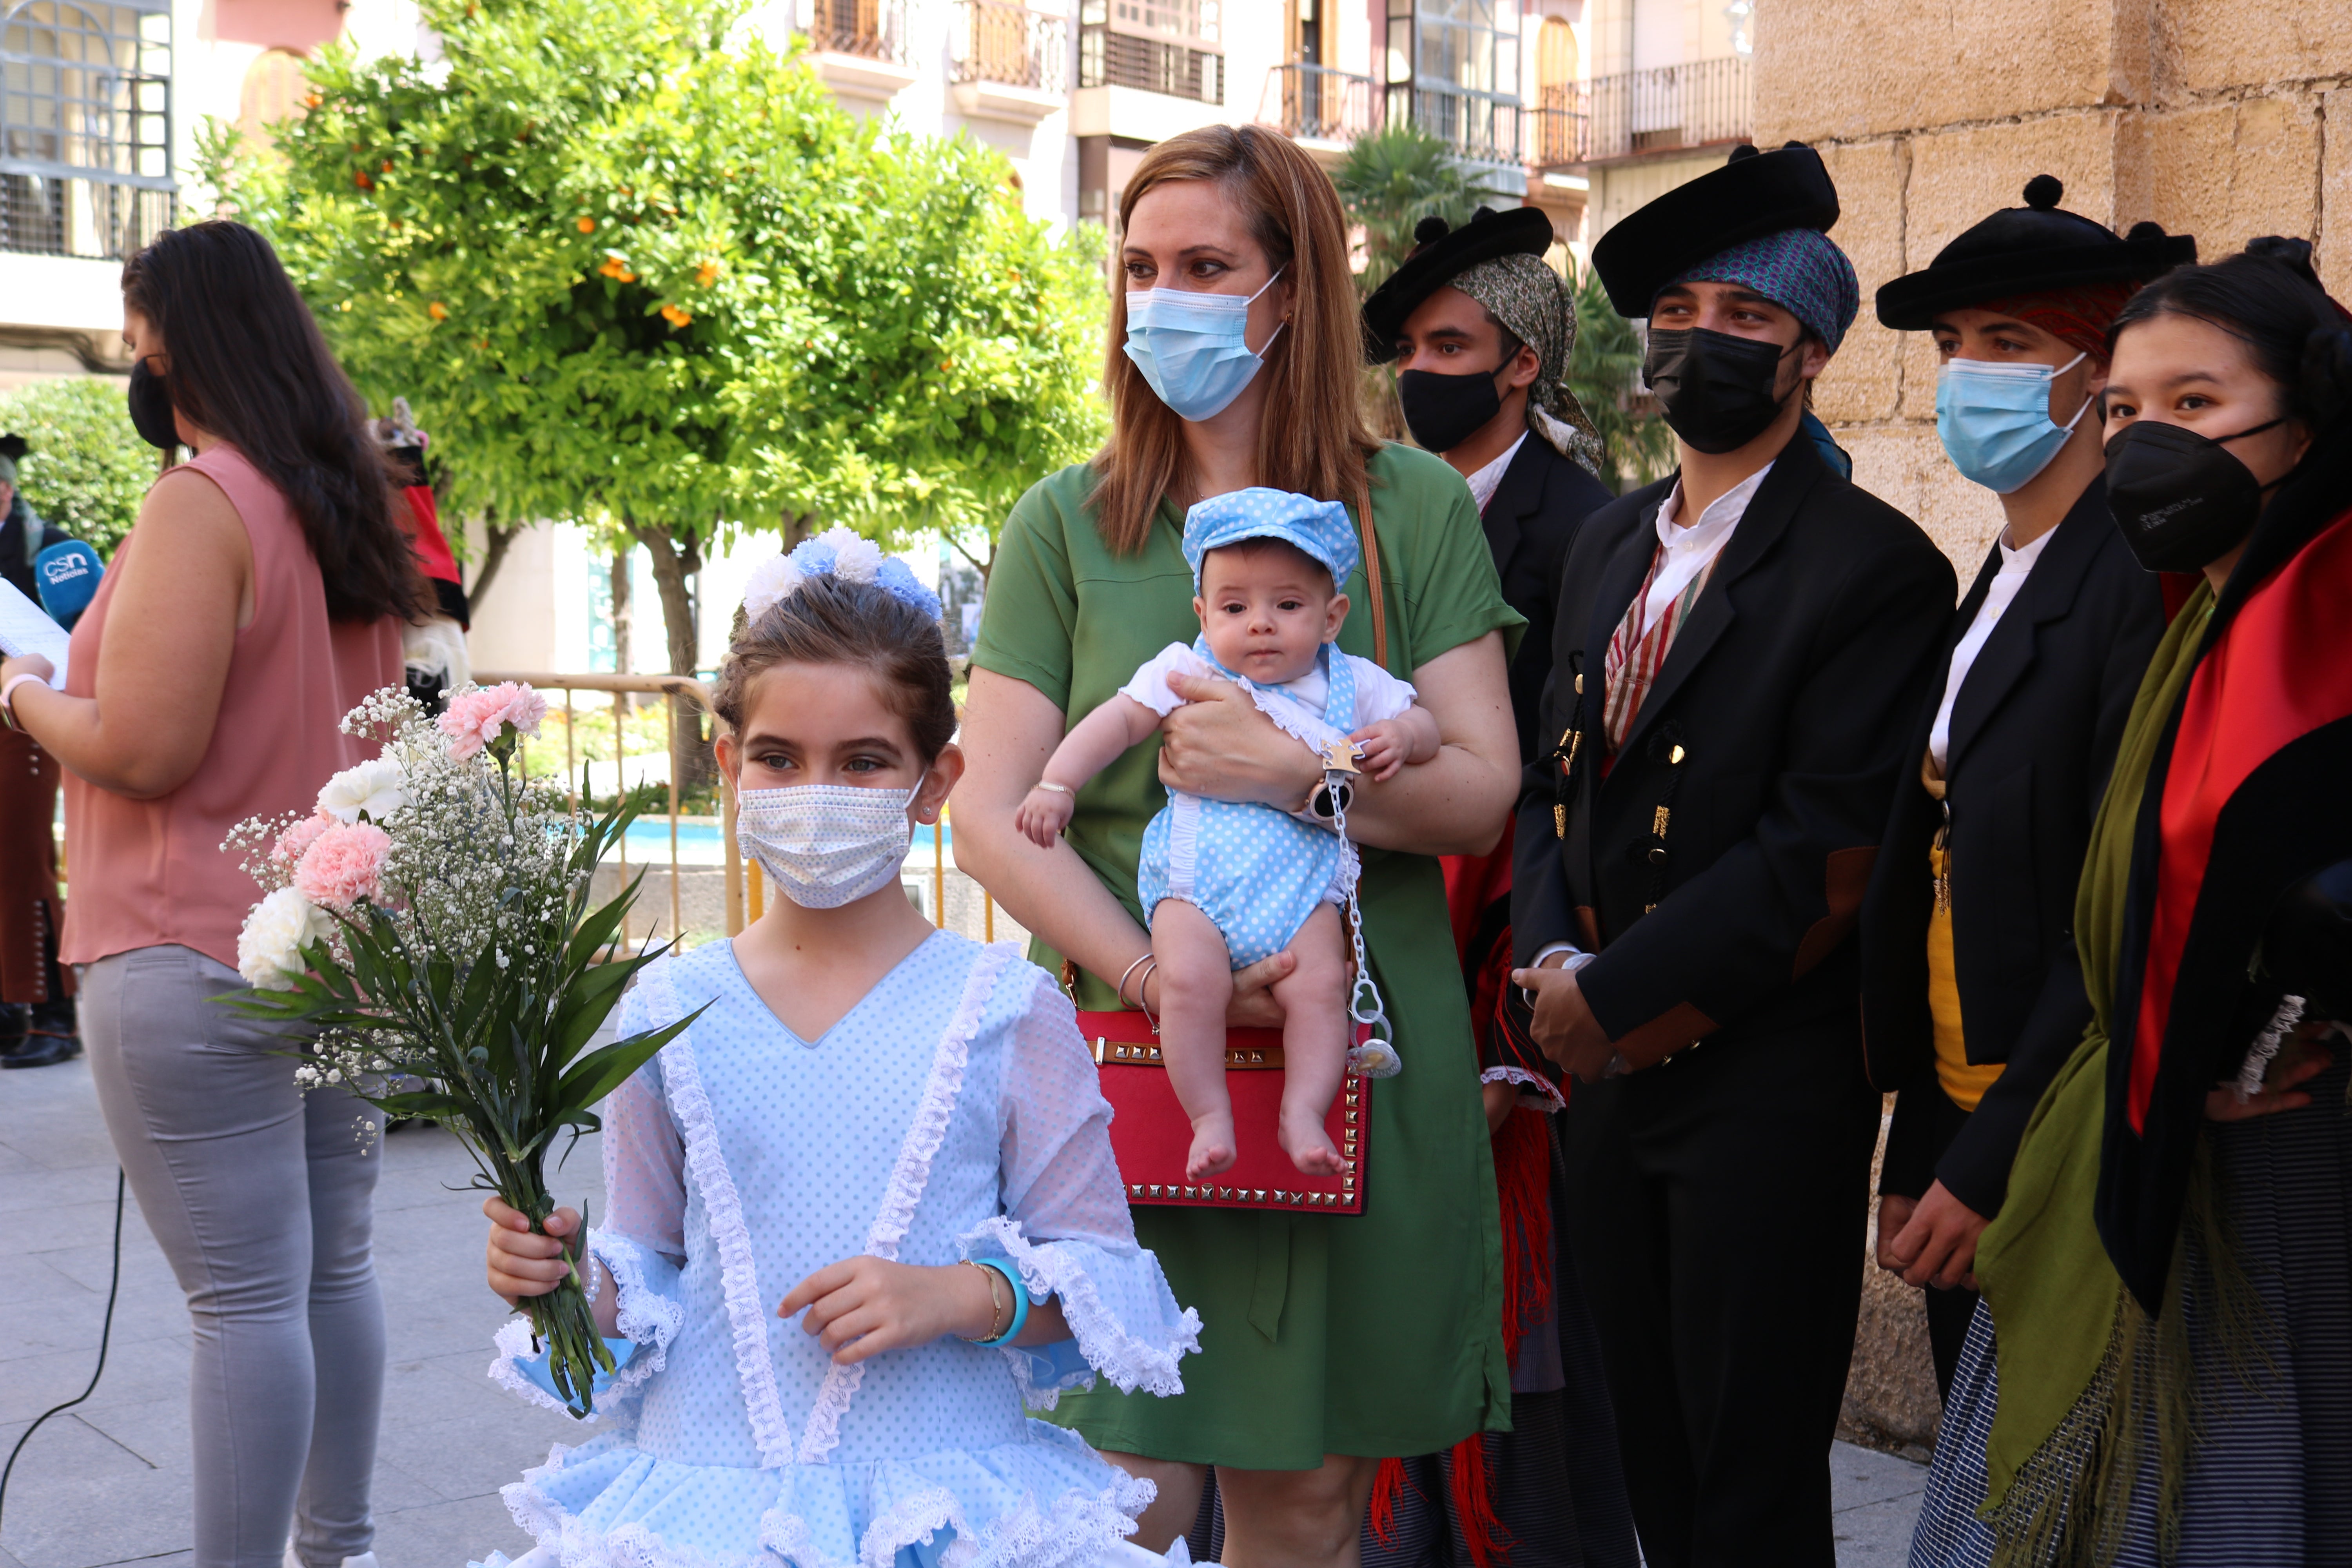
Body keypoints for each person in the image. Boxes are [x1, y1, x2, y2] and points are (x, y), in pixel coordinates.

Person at [952, 123, 1524, 1564]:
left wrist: (1293, 782)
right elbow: (988, 812)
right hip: (1125, 1054)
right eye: (1141, 268)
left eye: (1207, 265)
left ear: (1295, 292)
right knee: (1121, 1489)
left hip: (1362, 1048)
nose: (1165, 300)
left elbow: (1480, 789)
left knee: (1313, 1495)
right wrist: (1158, 975)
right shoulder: (1067, 523)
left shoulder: (1414, 509)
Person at [474, 544, 1201, 1566]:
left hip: (941, 1500)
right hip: (710, 1502)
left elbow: (1101, 1285)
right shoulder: (667, 1008)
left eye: (862, 761)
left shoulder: (1006, 1010)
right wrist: (564, 1277)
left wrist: (959, 1294)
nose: (817, 791)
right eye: (779, 757)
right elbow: (653, 1265)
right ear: (730, 766)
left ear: (933, 781)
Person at [1506, 142, 1956, 1567]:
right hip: (1604, 1073)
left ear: (1810, 356)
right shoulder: (1608, 546)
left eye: (1749, 321)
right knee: (1649, 1455)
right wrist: (1554, 965)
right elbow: (1548, 790)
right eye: (1684, 313)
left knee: (1751, 1481)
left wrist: (1620, 991)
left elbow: (1823, 850)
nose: (1705, 341)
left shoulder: (1874, 566)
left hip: (1762, 1082)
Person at [1908, 239, 2352, 1568]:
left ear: (2307, 422)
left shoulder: (2322, 634)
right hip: (2131, 1135)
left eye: (2197, 406)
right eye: (2128, 411)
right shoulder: (2197, 627)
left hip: (2266, 1175)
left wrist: (2256, 1035)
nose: (2151, 441)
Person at [0, 221, 417, 1568]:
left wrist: (23, 694)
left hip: (191, 946)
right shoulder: (343, 507)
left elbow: (143, 746)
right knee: (329, 1273)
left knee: (243, 1305)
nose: (134, 365)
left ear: (183, 341)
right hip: (331, 946)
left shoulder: (203, 501)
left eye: (139, 338)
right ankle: (333, 1551)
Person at [1858, 178, 2184, 1397]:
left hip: (2057, 1122)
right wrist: (1924, 1140)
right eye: (1952, 346)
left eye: (2010, 344)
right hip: (1957, 1094)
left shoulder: (2129, 585)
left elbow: (2111, 911)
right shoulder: (1999, 568)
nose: (1966, 376)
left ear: (2097, 373)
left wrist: (1986, 1158)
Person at [1354, 203, 1637, 1568]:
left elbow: (1556, 802)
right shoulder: (1346, 518)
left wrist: (1517, 1041)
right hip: (1350, 989)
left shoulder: (1587, 531)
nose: (1421, 372)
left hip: (1494, 996)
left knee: (1510, 1375)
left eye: (1451, 344)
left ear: (1523, 361)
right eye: (1408, 345)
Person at [1017, 489, 1437, 1180]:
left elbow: (1422, 721)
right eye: (1236, 607)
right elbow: (1115, 722)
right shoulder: (1188, 670)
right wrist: (1058, 784)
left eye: (1289, 606)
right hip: (1197, 884)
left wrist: (1402, 737)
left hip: (1301, 893)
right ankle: (1208, 1113)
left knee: (1324, 984)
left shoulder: (1353, 684)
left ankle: (1304, 1110)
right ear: (1203, 615)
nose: (1261, 625)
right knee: (1187, 982)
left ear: (1333, 617)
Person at [0, 437, 78, 1068]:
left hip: (25, 718)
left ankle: (56, 1016)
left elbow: (73, 636)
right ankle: (9, 1011)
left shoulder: (46, 545)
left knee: (25, 859)